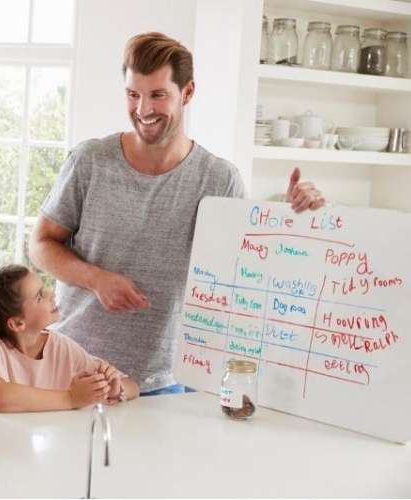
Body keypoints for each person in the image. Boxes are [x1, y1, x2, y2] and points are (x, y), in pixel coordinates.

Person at [29, 32, 326, 395]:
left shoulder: (219, 179)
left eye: (157, 95)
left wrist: (295, 216)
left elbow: (248, 270)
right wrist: (96, 279)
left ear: (187, 93)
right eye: (133, 94)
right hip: (73, 370)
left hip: (163, 383)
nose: (142, 110)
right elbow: (41, 244)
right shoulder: (90, 161)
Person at [0, 264, 139, 412]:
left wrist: (112, 388)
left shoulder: (61, 347)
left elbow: (133, 387)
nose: (52, 294)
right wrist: (71, 398)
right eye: (39, 296)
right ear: (17, 323)